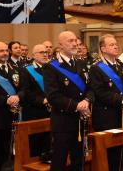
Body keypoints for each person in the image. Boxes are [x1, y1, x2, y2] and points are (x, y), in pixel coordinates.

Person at [42, 31, 94, 171]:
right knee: (59, 161)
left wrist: (87, 101)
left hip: (80, 121)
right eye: (70, 41)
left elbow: (90, 88)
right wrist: (78, 105)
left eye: (75, 40)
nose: (75, 43)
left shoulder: (81, 63)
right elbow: (53, 96)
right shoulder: (51, 67)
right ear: (60, 45)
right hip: (63, 122)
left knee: (79, 161)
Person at [89, 34, 123, 171]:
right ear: (103, 48)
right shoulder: (96, 68)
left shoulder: (120, 65)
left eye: (116, 44)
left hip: (119, 115)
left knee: (119, 151)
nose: (116, 46)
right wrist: (122, 99)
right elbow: (100, 93)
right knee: (108, 154)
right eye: (111, 44)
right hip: (105, 116)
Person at [0, 42, 20, 171]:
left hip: (14, 116)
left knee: (10, 150)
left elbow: (24, 89)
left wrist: (18, 97)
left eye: (6, 50)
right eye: (1, 51)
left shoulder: (16, 69)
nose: (5, 53)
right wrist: (5, 100)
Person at [19, 44, 51, 157]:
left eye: (46, 52)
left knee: (49, 141)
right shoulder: (26, 70)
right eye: (41, 52)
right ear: (34, 55)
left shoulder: (50, 68)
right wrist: (43, 100)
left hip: (51, 111)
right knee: (35, 143)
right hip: (34, 111)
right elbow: (25, 91)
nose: (45, 54)